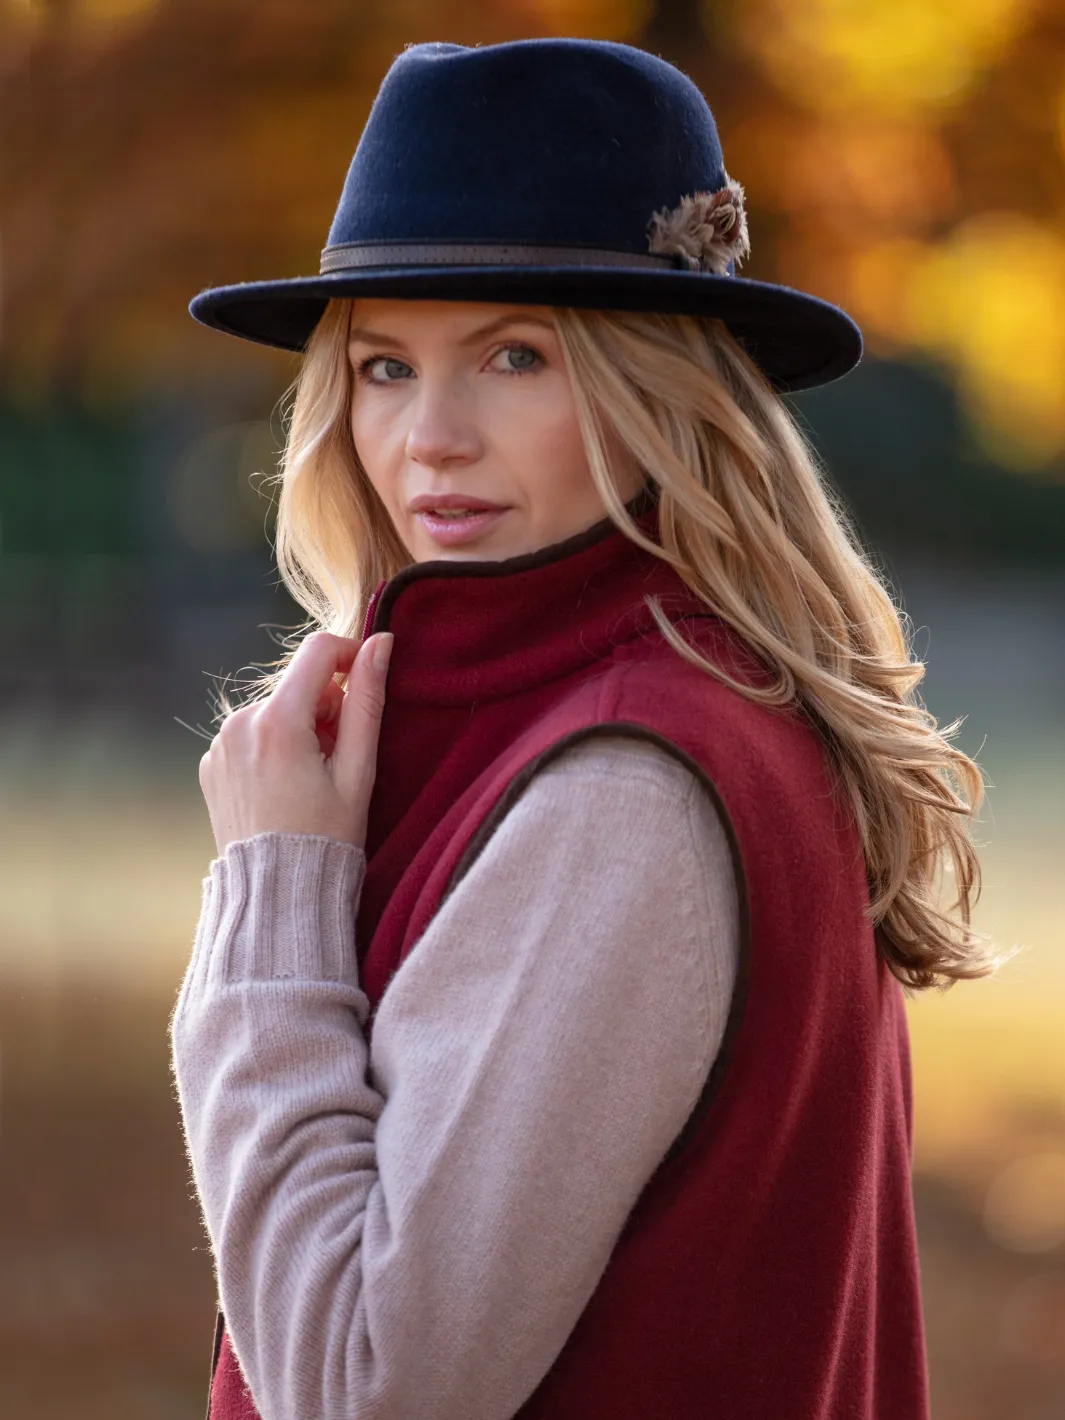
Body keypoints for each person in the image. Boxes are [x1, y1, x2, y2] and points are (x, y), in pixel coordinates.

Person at [170, 37, 999, 1420]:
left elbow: (369, 1387)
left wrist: (273, 897)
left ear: (654, 390)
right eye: (383, 368)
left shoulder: (622, 778)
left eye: (514, 355)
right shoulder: (695, 696)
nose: (431, 435)